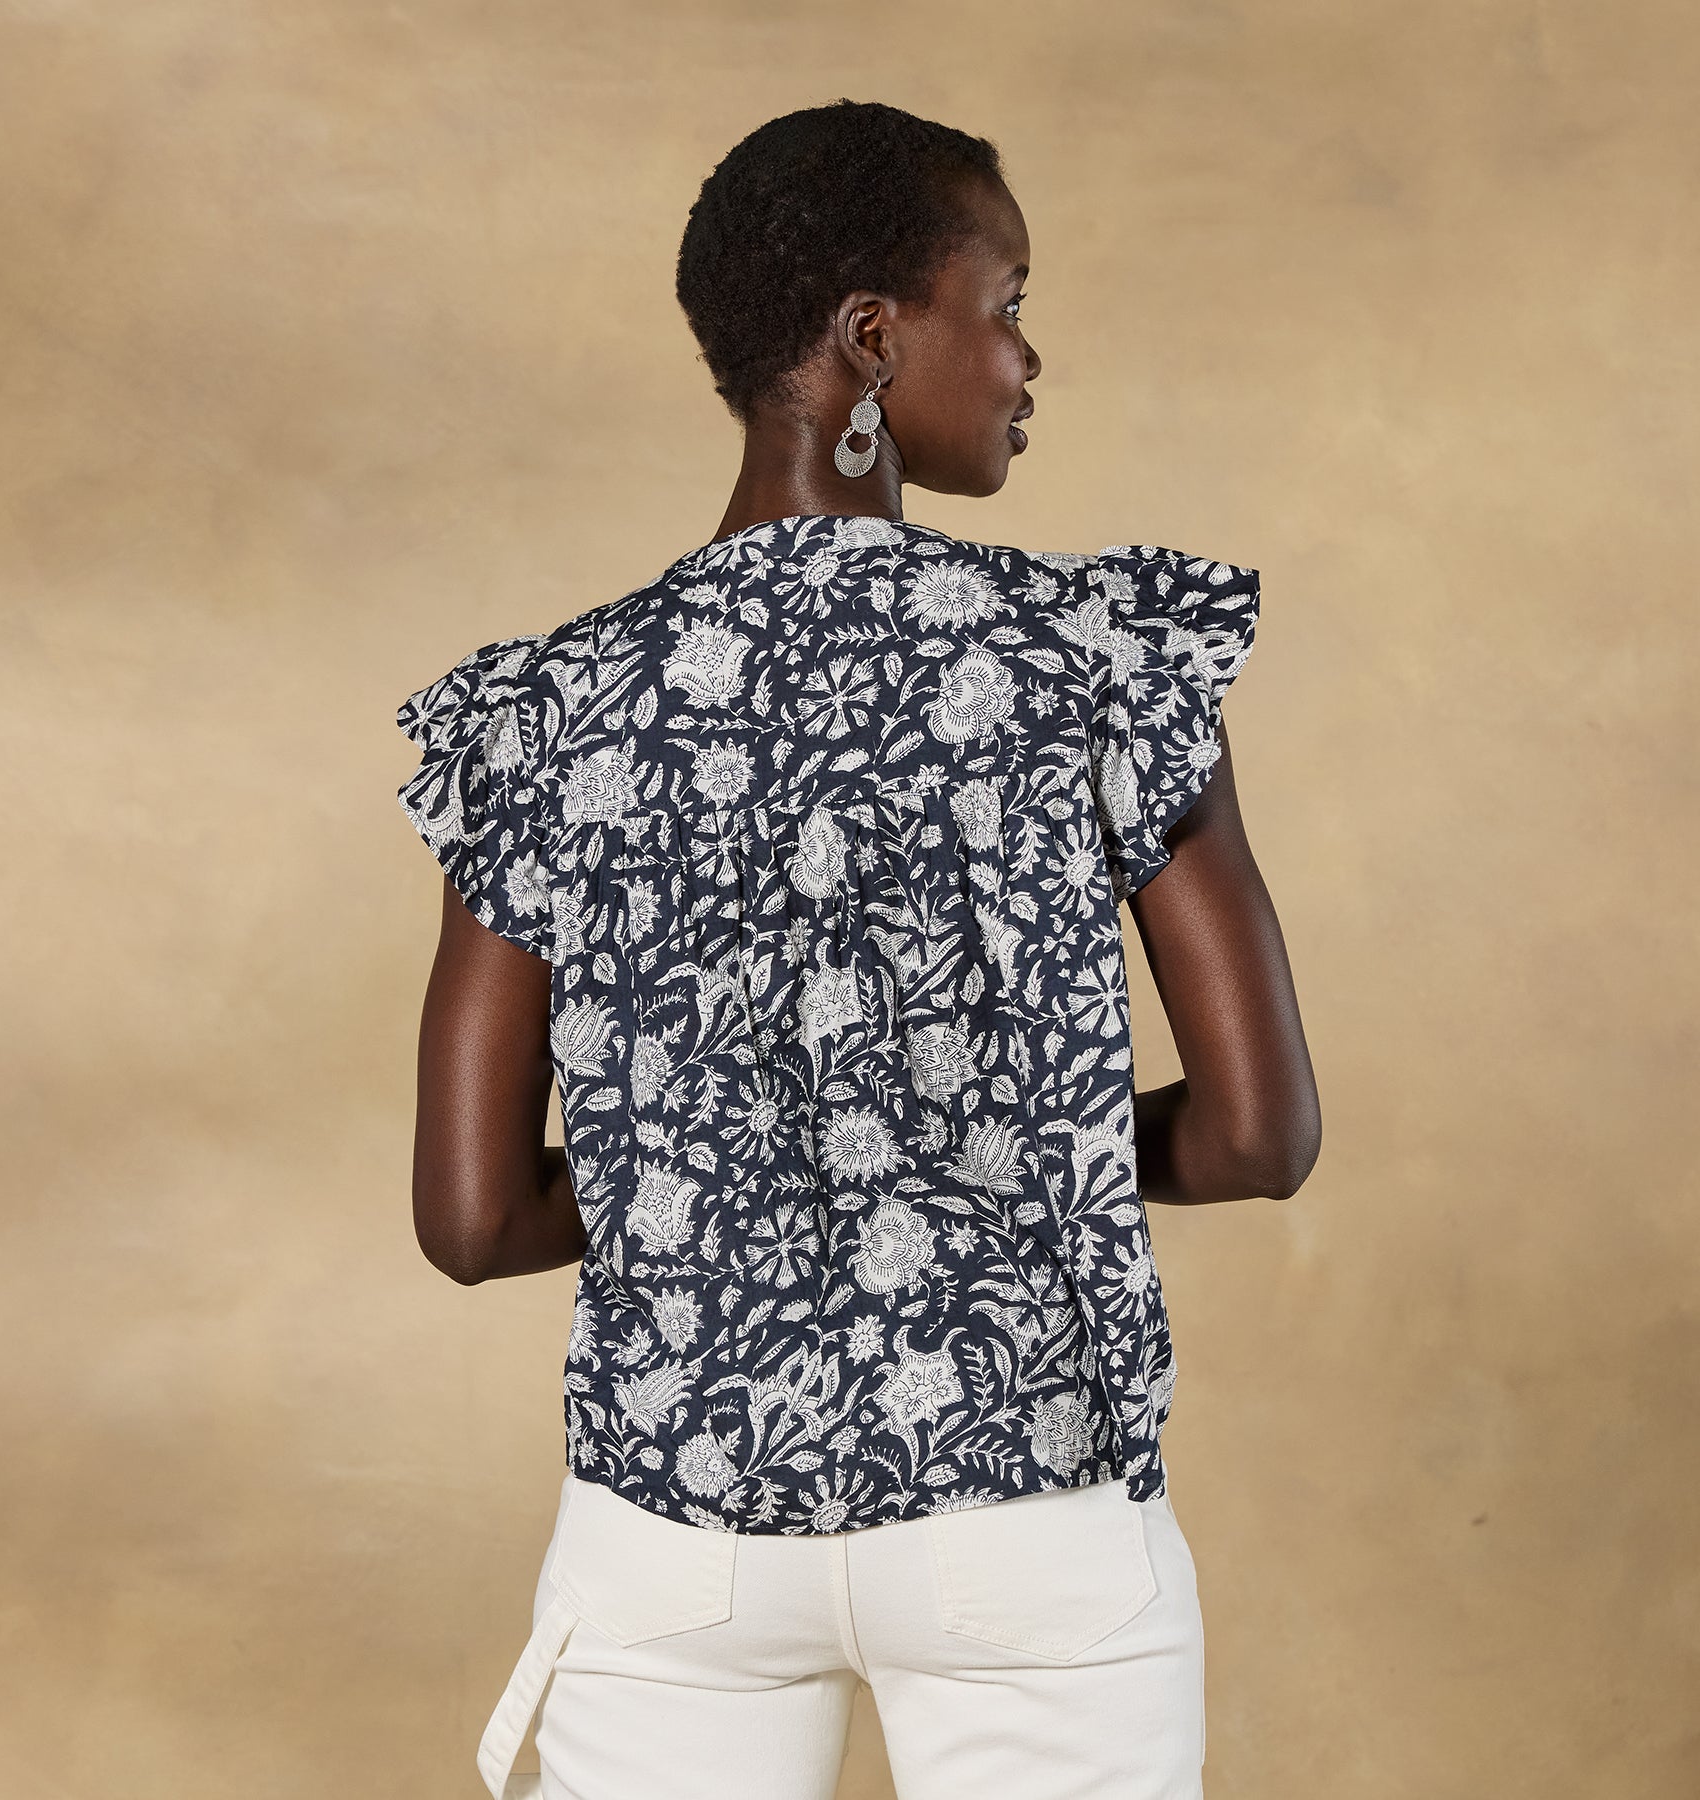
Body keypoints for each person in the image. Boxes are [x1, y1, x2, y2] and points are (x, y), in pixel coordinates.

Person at [395, 98, 1320, 1800]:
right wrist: (984, 1156)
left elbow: (469, 1220)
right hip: (1026, 1494)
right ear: (874, 339)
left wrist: (735, 1179)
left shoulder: (550, 718)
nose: (1030, 357)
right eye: (1008, 301)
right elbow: (1261, 1136)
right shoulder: (1096, 664)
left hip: (677, 1526)